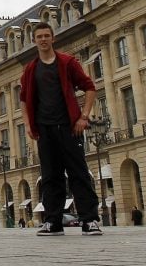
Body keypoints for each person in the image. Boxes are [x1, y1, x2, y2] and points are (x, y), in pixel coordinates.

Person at [20, 22, 103, 237]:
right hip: (45, 129)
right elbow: (23, 99)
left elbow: (90, 87)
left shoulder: (67, 62)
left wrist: (84, 117)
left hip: (69, 126)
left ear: (53, 38)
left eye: (47, 35)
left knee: (79, 173)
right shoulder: (31, 69)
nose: (43, 39)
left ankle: (89, 219)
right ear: (34, 40)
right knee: (50, 176)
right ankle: (53, 221)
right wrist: (28, 124)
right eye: (39, 36)